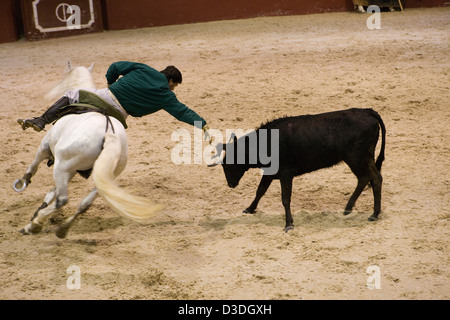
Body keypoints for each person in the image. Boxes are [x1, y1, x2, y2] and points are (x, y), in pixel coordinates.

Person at [17, 61, 210, 137]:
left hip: (106, 97)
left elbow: (115, 66)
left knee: (72, 94)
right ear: (170, 80)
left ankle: (41, 121)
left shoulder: (144, 69)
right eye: (174, 85)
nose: (173, 89)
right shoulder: (167, 95)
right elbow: (182, 112)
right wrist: (201, 123)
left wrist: (111, 83)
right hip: (120, 115)